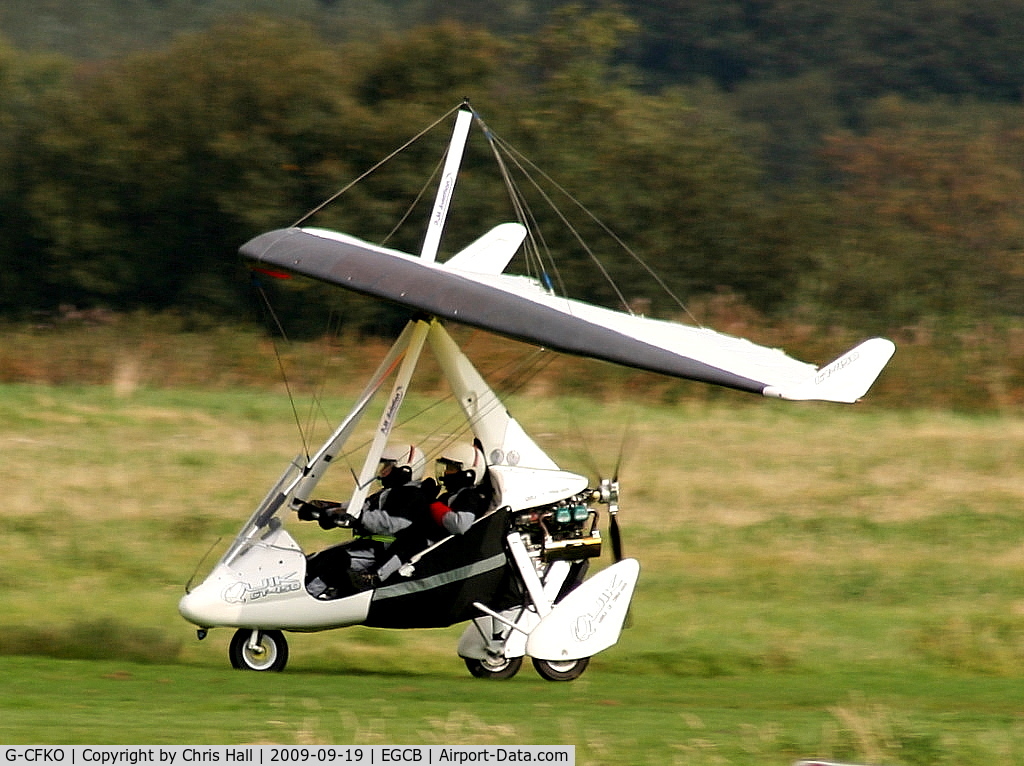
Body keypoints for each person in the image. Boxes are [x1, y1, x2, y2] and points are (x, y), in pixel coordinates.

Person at [300, 443, 435, 597]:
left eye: (388, 467)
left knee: (336, 560)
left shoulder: (413, 496)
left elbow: (393, 523)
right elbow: (359, 507)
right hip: (368, 546)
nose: (382, 472)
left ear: (404, 470)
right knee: (317, 559)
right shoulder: (388, 492)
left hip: (385, 552)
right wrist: (325, 509)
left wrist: (358, 518)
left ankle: (309, 596)